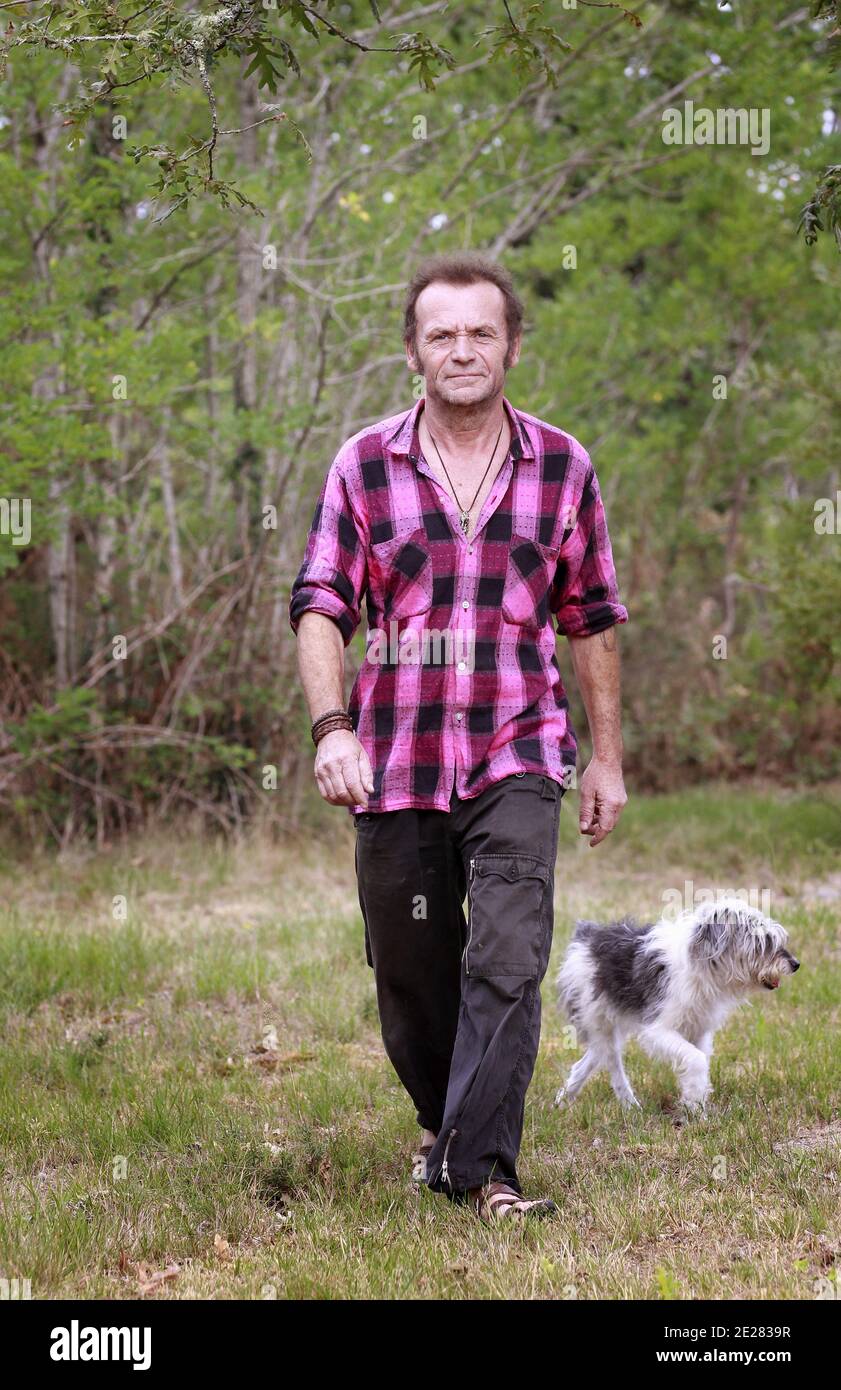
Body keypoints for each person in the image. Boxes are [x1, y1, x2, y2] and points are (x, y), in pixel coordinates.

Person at [289, 252, 629, 1222]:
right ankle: (447, 1126)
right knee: (411, 971)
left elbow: (592, 618)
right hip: (395, 758)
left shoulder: (563, 466)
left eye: (481, 331)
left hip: (519, 748)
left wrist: (604, 756)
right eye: (441, 334)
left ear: (512, 344)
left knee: (509, 955)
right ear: (412, 351)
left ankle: (483, 1171)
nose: (462, 349)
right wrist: (330, 727)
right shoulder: (363, 464)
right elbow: (319, 605)